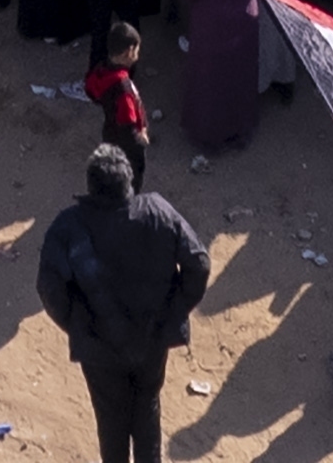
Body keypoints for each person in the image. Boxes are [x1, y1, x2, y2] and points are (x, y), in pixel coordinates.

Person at [35, 144, 211, 463]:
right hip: (151, 337)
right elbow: (198, 262)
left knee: (110, 420)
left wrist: (76, 322)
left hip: (99, 347)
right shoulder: (158, 211)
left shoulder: (69, 226)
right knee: (146, 409)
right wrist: (175, 309)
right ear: (128, 184)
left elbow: (49, 287)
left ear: (90, 186)